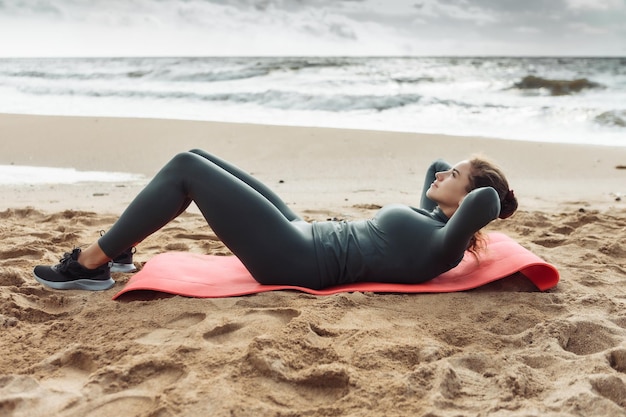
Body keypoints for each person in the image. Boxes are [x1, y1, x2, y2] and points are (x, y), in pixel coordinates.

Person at [33, 149, 518, 291]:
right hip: (303, 233)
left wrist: (479, 184)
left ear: (472, 198)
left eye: (457, 175)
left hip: (297, 257)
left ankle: (93, 263)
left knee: (185, 169)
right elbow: (434, 165)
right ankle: (118, 250)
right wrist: (455, 176)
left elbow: (485, 206)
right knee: (200, 157)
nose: (442, 174)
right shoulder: (433, 218)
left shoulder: (445, 243)